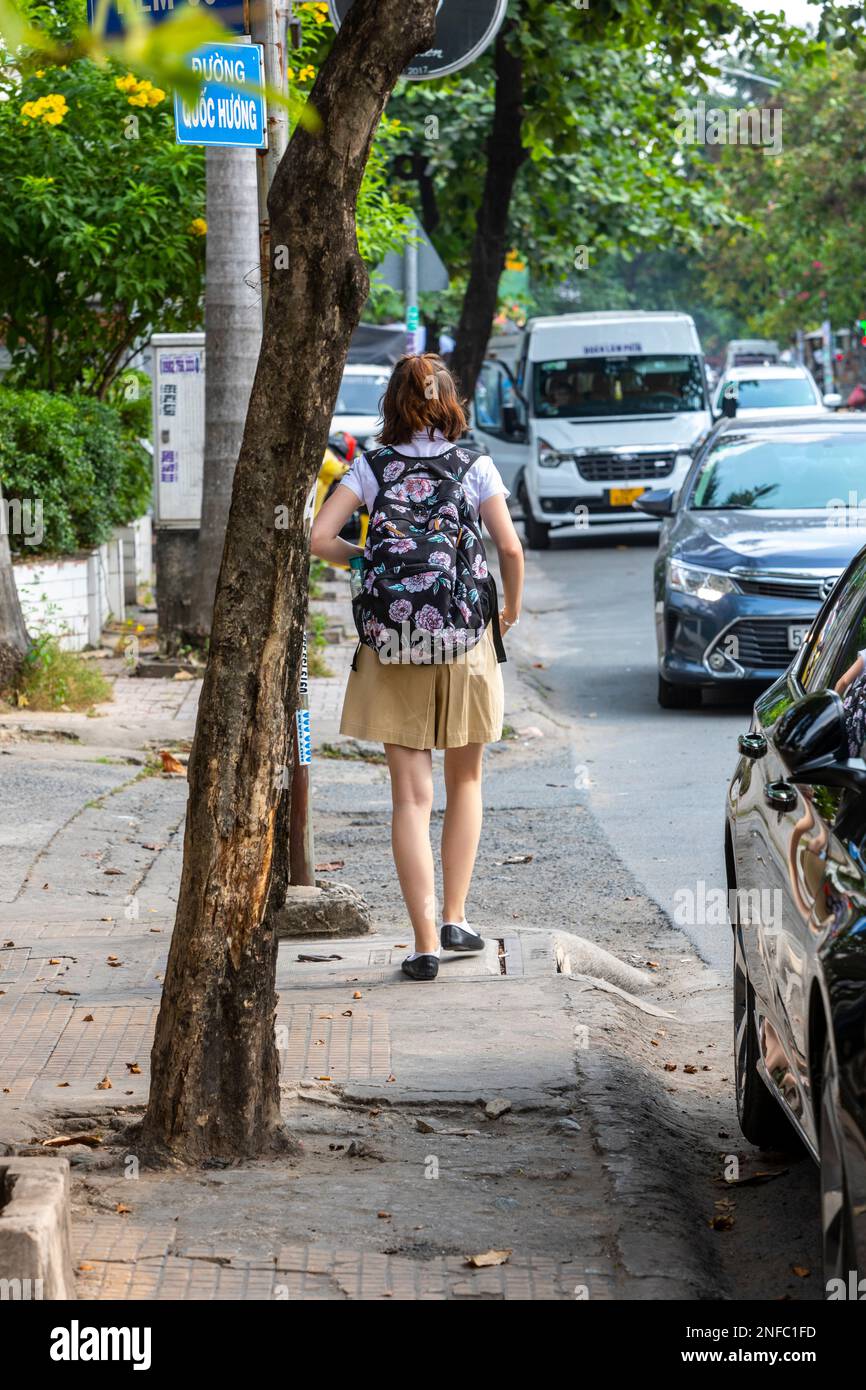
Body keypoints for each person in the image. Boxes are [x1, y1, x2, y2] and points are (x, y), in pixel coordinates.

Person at [311, 354, 524, 982]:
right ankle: (457, 916)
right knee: (466, 782)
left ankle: (425, 941)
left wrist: (368, 559)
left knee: (409, 796)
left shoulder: (371, 465)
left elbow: (319, 537)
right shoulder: (474, 464)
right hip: (465, 638)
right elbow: (508, 547)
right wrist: (508, 611)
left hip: (393, 638)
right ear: (447, 400)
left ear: (393, 404)